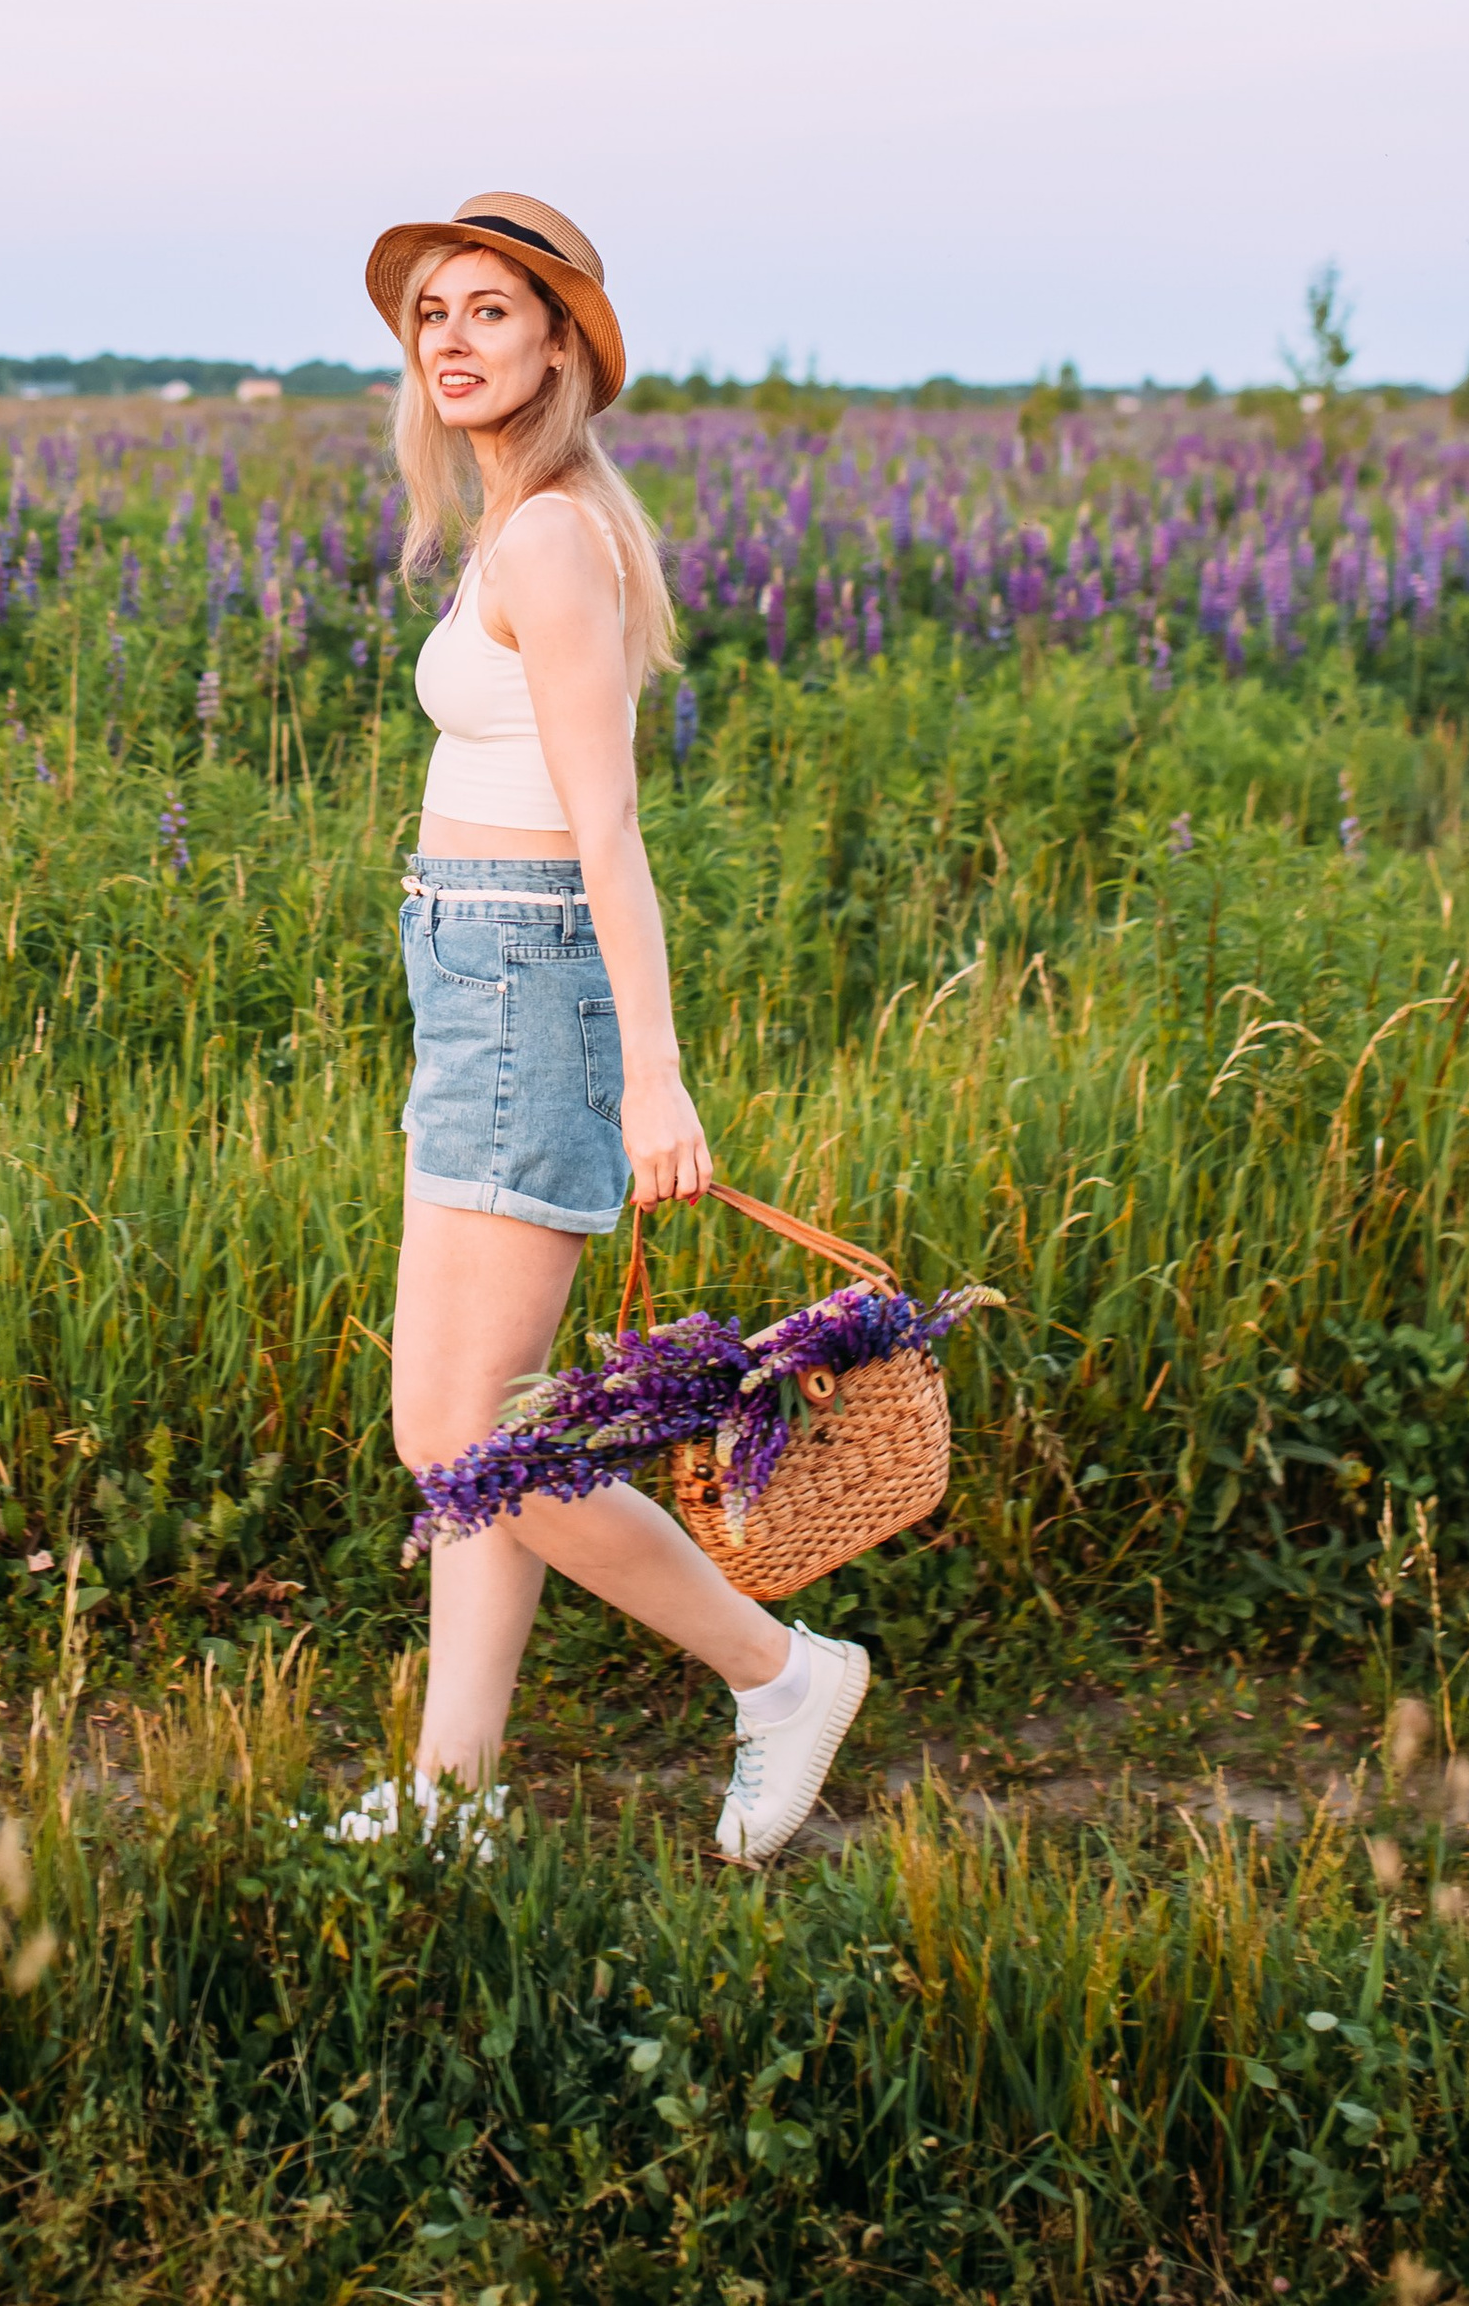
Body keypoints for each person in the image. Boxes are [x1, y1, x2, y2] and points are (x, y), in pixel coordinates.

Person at [335, 191, 868, 1866]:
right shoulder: (520, 528)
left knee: (470, 1436)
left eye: (492, 310)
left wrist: (654, 1072)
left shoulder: (556, 535)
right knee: (475, 1424)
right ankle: (450, 1799)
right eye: (434, 313)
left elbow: (609, 824)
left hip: (524, 986)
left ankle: (778, 1673)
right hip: (474, 980)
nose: (453, 338)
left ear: (561, 342)